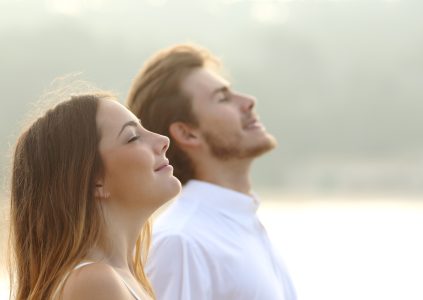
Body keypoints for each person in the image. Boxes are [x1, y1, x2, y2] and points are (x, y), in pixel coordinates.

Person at [127, 44, 297, 300]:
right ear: (187, 133)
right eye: (223, 98)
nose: (249, 102)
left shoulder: (242, 224)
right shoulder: (181, 242)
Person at [9, 92, 181, 300]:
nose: (163, 140)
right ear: (95, 180)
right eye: (133, 137)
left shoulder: (121, 278)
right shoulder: (94, 281)